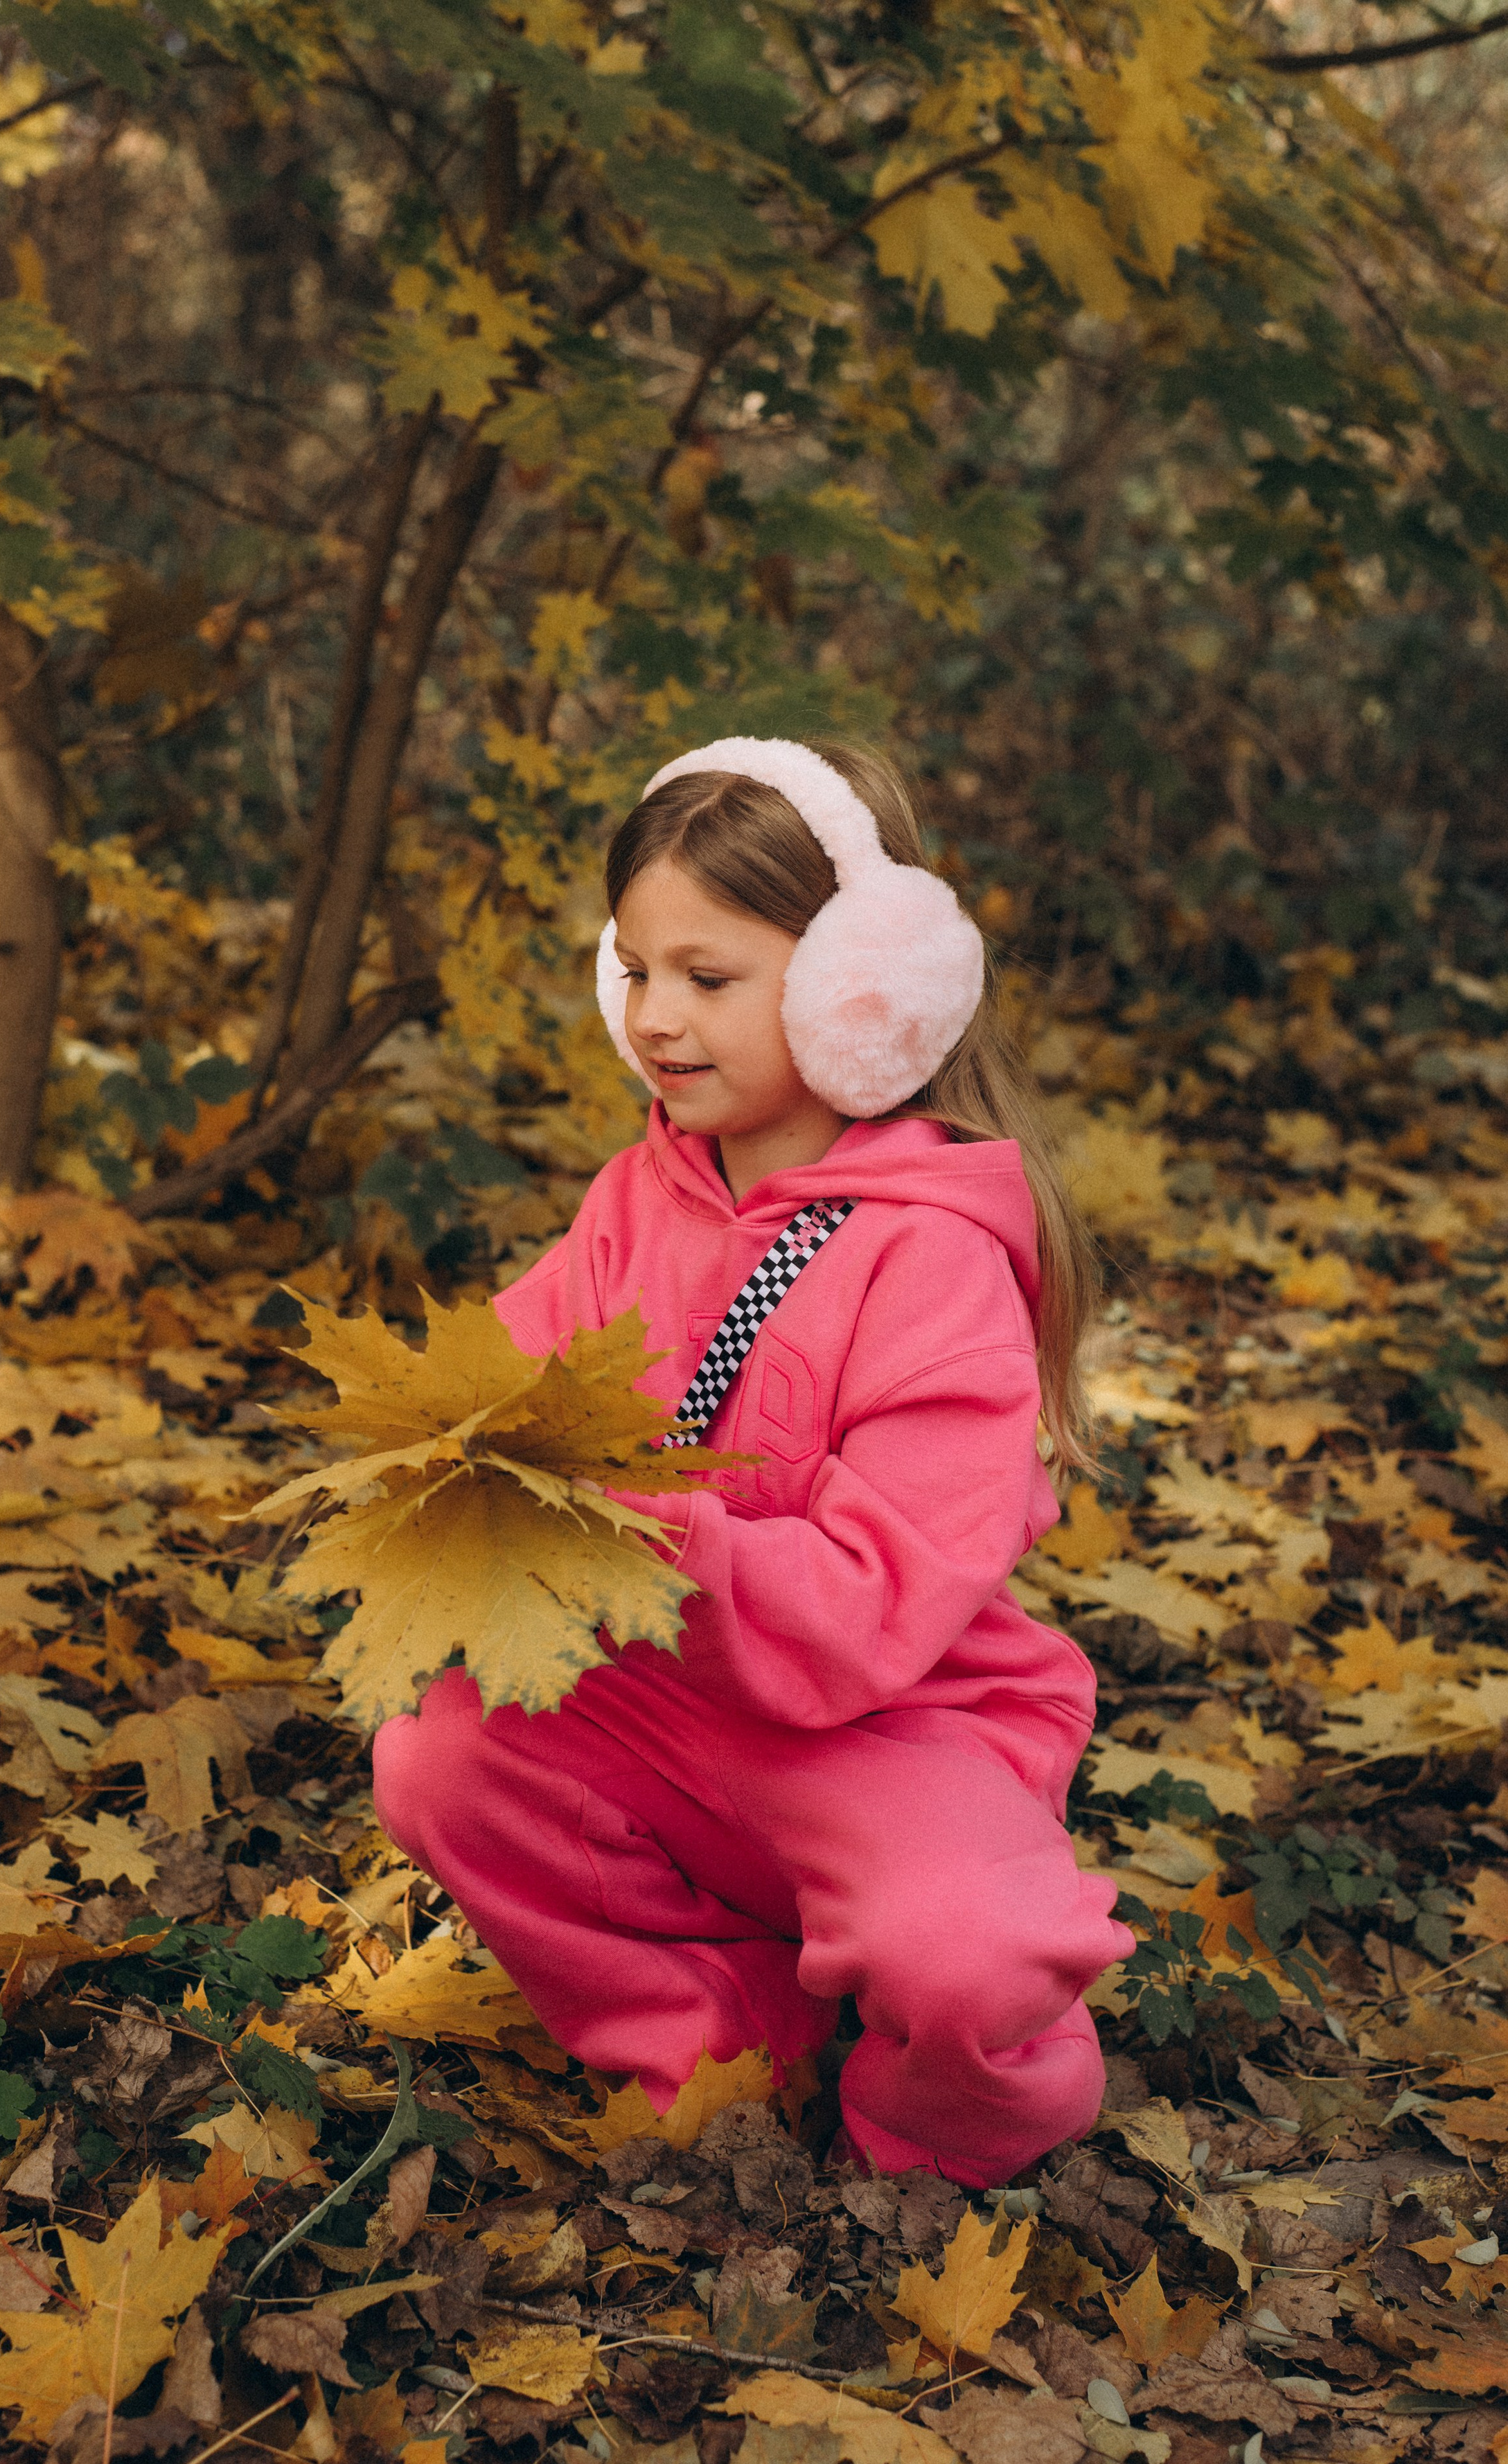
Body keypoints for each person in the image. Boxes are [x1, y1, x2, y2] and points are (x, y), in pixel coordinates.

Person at [372, 737, 1132, 2184]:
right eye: (636, 971)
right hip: (662, 1704)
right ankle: (721, 2040)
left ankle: (926, 2135)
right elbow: (517, 1382)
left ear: (866, 983)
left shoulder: (931, 1256)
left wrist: (645, 1534)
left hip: (885, 1730)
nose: (655, 1018)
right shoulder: (635, 1195)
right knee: (440, 1760)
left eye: (706, 981)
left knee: (969, 1959)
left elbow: (874, 1597)